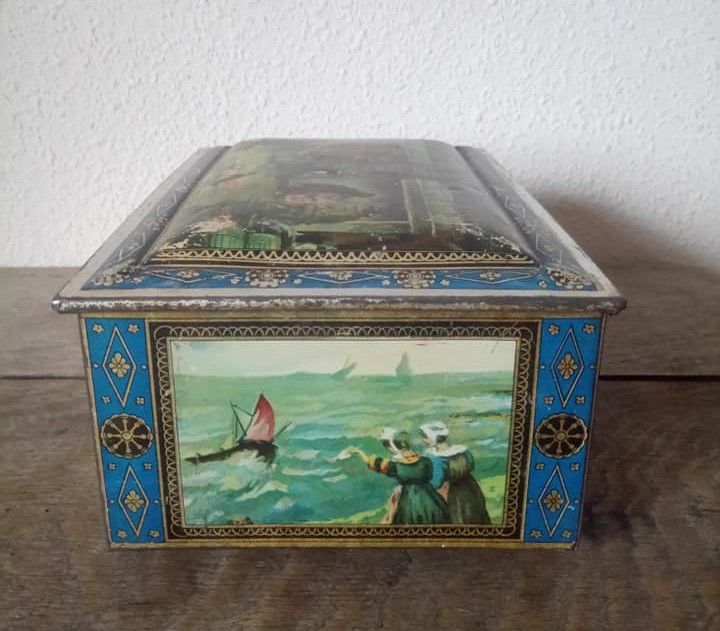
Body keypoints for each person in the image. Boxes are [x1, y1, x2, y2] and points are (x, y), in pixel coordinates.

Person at [348, 428, 449, 525]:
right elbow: (429, 477)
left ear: (396, 447)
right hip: (432, 500)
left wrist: (359, 451)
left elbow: (372, 463)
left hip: (409, 502)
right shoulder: (425, 461)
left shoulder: (396, 467)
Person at [420, 421, 492, 525]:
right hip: (471, 488)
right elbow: (471, 466)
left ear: (433, 437)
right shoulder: (464, 452)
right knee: (475, 516)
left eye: (425, 437)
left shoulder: (437, 459)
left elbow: (435, 483)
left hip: (453, 493)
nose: (424, 440)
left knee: (458, 518)